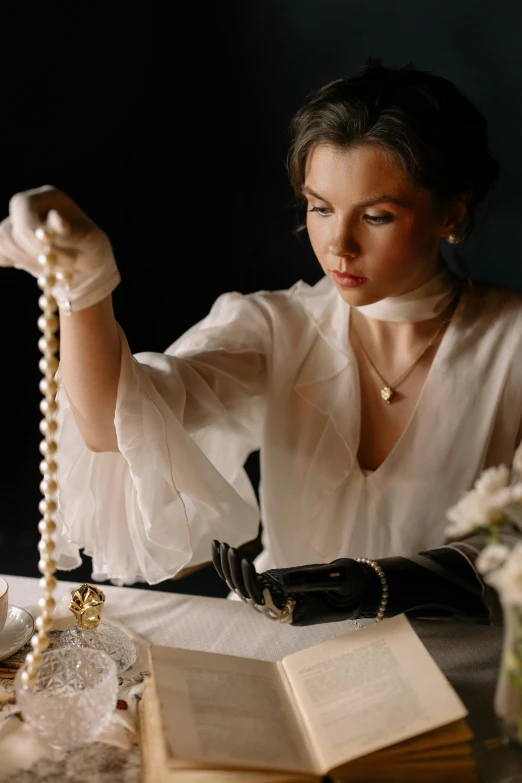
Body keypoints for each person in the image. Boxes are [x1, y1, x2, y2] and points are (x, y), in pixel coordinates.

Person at [1, 58, 520, 626]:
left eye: (375, 216)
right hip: (281, 644)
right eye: (320, 208)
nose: (338, 244)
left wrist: (374, 587)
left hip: (457, 658)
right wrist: (86, 289)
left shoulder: (512, 343)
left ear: (452, 213)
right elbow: (115, 424)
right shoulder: (277, 327)